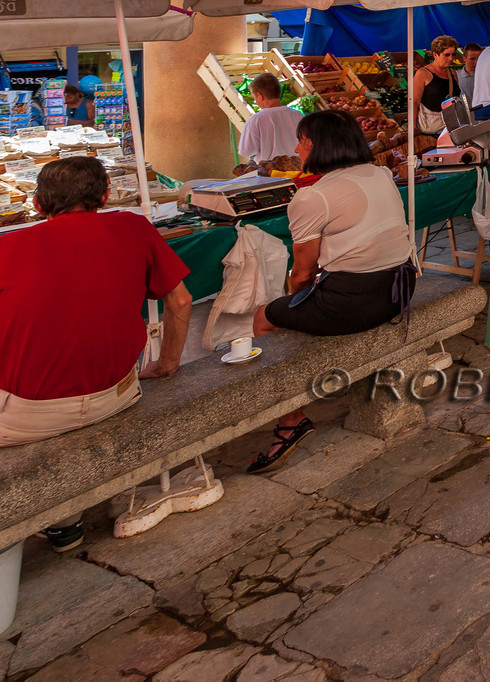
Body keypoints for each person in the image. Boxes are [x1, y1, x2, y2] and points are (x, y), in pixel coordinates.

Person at [1, 157, 192, 550]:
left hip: (26, 415)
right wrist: (169, 362)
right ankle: (64, 519)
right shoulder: (132, 226)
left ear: (37, 204)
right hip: (116, 396)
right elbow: (181, 300)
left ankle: (53, 520)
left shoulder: (9, 247)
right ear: (105, 196)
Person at [247, 111, 416, 472]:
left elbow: (303, 273)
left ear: (314, 145)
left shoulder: (313, 197)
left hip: (357, 303)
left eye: (300, 141)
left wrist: (293, 298)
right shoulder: (380, 173)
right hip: (400, 289)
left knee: (264, 316)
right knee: (300, 303)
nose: (295, 148)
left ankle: (290, 421)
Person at [239, 74, 303, 162]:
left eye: (255, 98)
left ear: (260, 96)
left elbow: (246, 151)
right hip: (297, 168)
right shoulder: (298, 115)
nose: (256, 101)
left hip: (270, 172)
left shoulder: (256, 119)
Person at [411, 36, 460, 134]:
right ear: (435, 55)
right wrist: (412, 128)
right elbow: (414, 102)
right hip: (430, 129)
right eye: (446, 55)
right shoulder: (423, 73)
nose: (451, 58)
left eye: (453, 54)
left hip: (450, 128)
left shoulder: (453, 73)